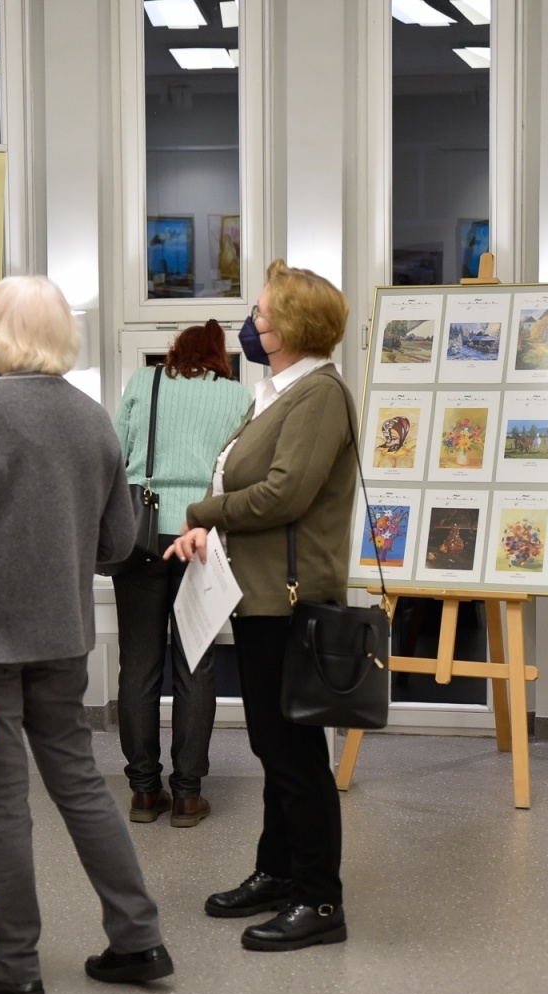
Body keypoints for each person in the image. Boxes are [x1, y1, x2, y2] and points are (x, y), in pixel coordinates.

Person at [0, 274, 171, 994]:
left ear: (1, 333)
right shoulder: (93, 420)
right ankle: (138, 936)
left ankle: (15, 963)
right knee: (80, 783)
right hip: (64, 636)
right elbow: (117, 544)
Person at [165, 260, 355, 952]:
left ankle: (319, 900)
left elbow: (283, 494)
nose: (253, 322)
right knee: (275, 747)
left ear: (293, 325)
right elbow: (245, 477)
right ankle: (277, 872)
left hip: (290, 599)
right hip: (259, 595)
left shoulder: (319, 396)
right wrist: (211, 525)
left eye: (263, 313)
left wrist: (203, 510)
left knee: (294, 753)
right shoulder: (275, 393)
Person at [111, 322, 251, 827]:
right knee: (197, 665)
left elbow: (115, 454)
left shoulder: (143, 383)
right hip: (204, 539)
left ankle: (145, 791)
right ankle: (188, 794)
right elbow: (242, 471)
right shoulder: (239, 397)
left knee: (139, 666)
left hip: (142, 536)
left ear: (174, 351)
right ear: (220, 356)